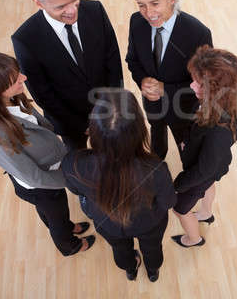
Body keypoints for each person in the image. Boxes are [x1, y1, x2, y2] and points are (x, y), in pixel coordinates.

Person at [0, 51, 95, 256]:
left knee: (54, 214)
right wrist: (72, 178)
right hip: (41, 185)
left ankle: (66, 226)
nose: (23, 78)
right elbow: (34, 177)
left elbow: (40, 126)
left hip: (48, 174)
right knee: (56, 216)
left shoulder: (12, 100)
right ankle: (69, 245)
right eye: (15, 80)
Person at [61, 89, 176, 282]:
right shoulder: (156, 169)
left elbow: (75, 190)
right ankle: (153, 271)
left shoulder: (73, 163)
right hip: (148, 223)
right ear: (139, 129)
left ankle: (130, 270)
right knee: (153, 248)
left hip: (107, 224)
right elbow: (168, 202)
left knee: (120, 249)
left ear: (93, 128)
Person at [12, 0, 123, 151]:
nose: (72, 11)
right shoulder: (25, 39)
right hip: (70, 123)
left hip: (109, 110)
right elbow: (43, 95)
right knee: (79, 165)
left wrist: (115, 105)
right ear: (39, 3)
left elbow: (112, 61)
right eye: (61, 6)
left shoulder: (95, 10)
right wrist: (81, 126)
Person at [126, 0, 213, 160]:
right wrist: (143, 80)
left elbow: (206, 83)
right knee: (156, 133)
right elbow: (132, 59)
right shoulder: (136, 22)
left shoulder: (198, 33)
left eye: (155, 3)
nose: (148, 13)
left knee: (189, 154)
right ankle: (158, 160)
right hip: (152, 104)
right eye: (142, 5)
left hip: (182, 108)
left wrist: (165, 88)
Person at [171, 46, 237, 248]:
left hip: (202, 171)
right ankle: (206, 213)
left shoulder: (219, 131)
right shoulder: (229, 100)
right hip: (213, 167)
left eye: (198, 83)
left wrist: (177, 186)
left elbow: (203, 170)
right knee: (209, 184)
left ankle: (194, 239)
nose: (192, 86)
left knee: (180, 210)